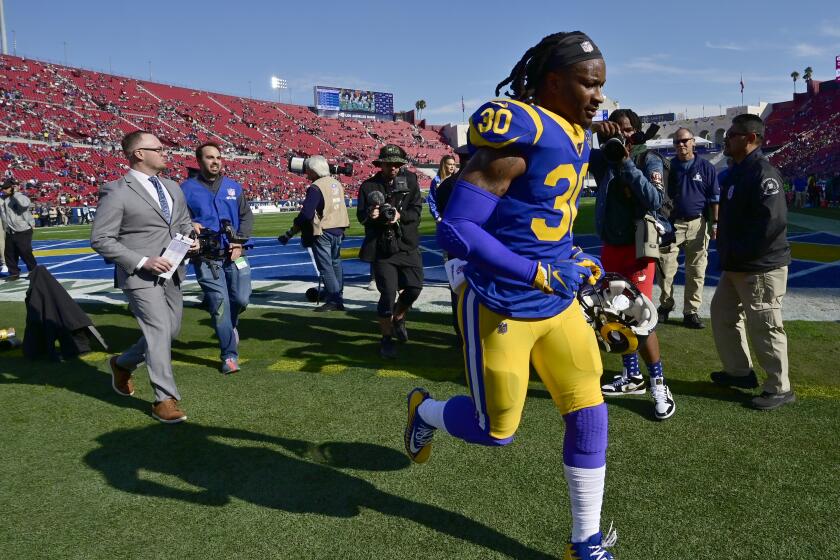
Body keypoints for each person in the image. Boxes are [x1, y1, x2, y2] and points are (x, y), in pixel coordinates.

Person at [404, 32, 618, 559]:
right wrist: (538, 272)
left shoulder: (578, 134)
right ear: (552, 81)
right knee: (495, 431)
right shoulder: (519, 130)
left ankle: (584, 542)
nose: (598, 97)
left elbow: (547, 220)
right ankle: (425, 411)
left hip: (556, 303)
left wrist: (576, 259)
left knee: (589, 409)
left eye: (601, 87)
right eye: (589, 85)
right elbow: (458, 229)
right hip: (501, 301)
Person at [90, 130, 197, 423]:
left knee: (169, 332)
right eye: (159, 148)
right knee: (159, 330)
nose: (166, 152)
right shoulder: (116, 190)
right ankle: (164, 399)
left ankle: (122, 363)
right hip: (140, 276)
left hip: (173, 272)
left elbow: (184, 224)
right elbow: (101, 239)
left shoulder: (173, 187)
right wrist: (141, 261)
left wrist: (191, 238)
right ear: (139, 154)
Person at [590, 108, 676, 420]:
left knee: (641, 317)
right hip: (611, 247)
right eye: (616, 128)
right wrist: (593, 129)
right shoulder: (602, 157)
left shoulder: (645, 158)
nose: (621, 134)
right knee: (614, 314)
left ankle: (658, 383)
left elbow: (655, 199)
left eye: (626, 129)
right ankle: (631, 375)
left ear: (636, 132)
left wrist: (624, 160)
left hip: (637, 248)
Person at [710, 114, 794, 411]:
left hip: (758, 266)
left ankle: (779, 386)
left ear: (750, 139)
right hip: (737, 265)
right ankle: (739, 372)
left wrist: (743, 255)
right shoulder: (738, 171)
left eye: (732, 134)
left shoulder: (763, 172)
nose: (727, 139)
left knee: (765, 323)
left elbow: (772, 223)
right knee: (722, 314)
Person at [181, 141, 253, 374]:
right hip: (206, 258)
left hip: (235, 254)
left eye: (218, 157)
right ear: (199, 161)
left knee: (241, 300)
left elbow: (246, 216)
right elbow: (176, 220)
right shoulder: (186, 189)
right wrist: (188, 224)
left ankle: (231, 328)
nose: (215, 161)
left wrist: (239, 241)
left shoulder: (234, 186)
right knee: (219, 305)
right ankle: (229, 355)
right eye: (210, 157)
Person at [357, 144, 423, 360]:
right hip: (382, 248)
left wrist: (399, 216)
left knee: (414, 288)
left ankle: (399, 317)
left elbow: (416, 211)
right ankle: (386, 338)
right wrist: (371, 214)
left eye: (397, 164)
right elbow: (361, 218)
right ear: (381, 164)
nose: (393, 168)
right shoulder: (368, 186)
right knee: (387, 294)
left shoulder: (411, 181)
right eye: (389, 164)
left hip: (407, 244)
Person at [657, 127, 720, 329]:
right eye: (676, 142)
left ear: (693, 141)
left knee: (697, 270)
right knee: (665, 270)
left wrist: (715, 223)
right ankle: (665, 306)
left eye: (684, 141)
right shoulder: (668, 166)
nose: (681, 145)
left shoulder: (706, 167)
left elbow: (714, 198)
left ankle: (690, 312)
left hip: (697, 223)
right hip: (671, 225)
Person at [278, 155, 350, 312]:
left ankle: (334, 299)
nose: (306, 174)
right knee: (336, 263)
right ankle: (339, 295)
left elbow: (306, 214)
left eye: (309, 171)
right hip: (338, 228)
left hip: (323, 230)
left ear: (314, 170)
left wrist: (291, 231)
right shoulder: (336, 183)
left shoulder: (316, 187)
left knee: (326, 267)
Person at [0, 178, 37, 281]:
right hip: (10, 230)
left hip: (23, 229)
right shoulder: (3, 199)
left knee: (25, 251)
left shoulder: (20, 196)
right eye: (3, 188)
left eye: (6, 188)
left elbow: (25, 204)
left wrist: (15, 193)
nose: (3, 190)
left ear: (11, 188)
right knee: (10, 253)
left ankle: (33, 271)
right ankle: (14, 273)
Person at [427, 154, 456, 223]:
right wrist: (437, 216)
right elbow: (431, 199)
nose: (452, 166)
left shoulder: (457, 180)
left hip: (455, 216)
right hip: (442, 217)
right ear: (444, 165)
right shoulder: (436, 180)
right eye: (449, 164)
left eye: (453, 164)